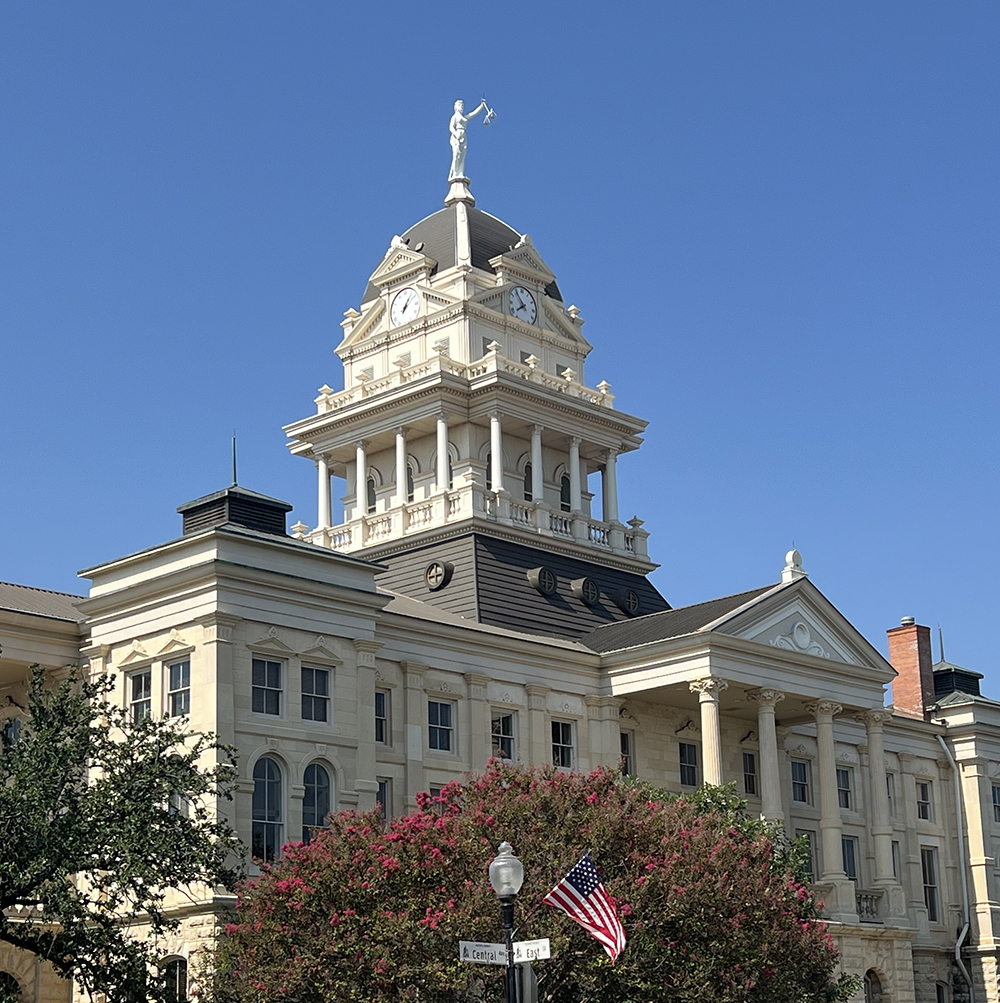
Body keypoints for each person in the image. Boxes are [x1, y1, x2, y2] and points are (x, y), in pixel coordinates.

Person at [448, 98, 488, 181]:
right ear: (455, 107)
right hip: (456, 136)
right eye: (460, 105)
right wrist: (456, 134)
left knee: (463, 154)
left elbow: (473, 113)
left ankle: (460, 172)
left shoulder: (464, 117)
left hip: (463, 135)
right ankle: (455, 173)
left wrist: (481, 106)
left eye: (462, 105)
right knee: (456, 154)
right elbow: (451, 127)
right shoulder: (455, 117)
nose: (462, 107)